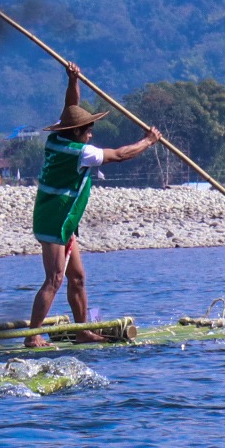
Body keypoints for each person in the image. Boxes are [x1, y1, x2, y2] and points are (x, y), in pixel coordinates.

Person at [24, 63, 161, 348]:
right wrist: (148, 141)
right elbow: (121, 155)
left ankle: (82, 330)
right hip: (53, 220)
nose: (91, 134)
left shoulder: (57, 138)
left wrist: (73, 80)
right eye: (88, 130)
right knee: (55, 278)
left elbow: (70, 107)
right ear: (77, 134)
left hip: (65, 219)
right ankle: (32, 335)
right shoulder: (80, 152)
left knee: (78, 277)